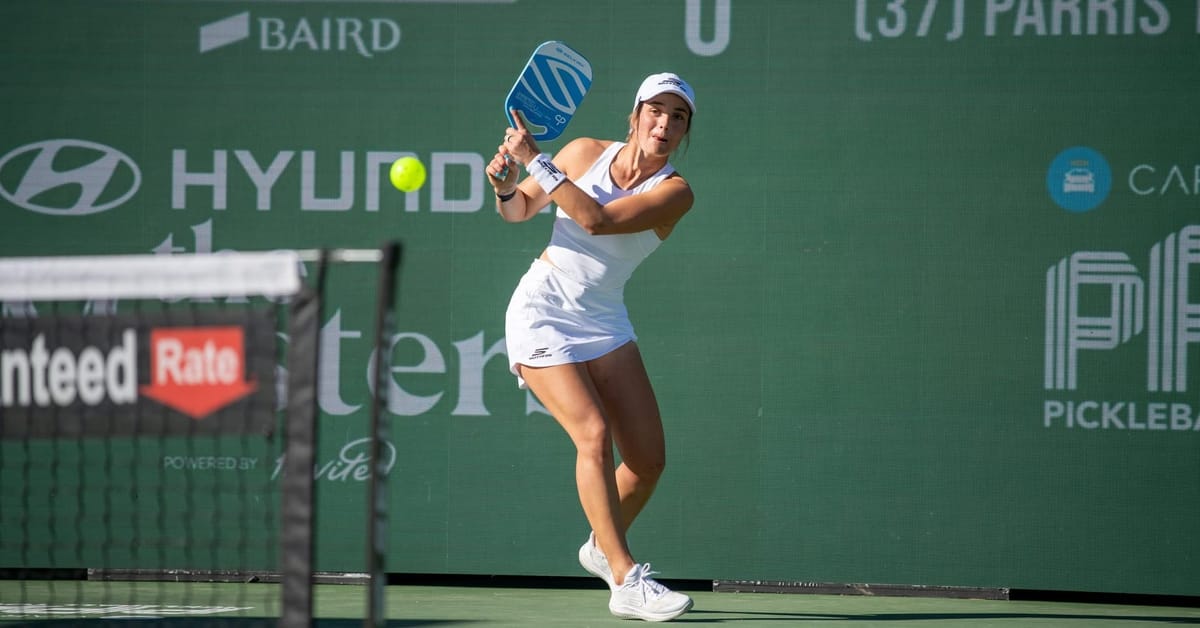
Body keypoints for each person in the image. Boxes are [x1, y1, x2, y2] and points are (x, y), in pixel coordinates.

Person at [486, 72, 697, 622]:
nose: (664, 124)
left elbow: (596, 220)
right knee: (594, 435)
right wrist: (507, 184)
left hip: (604, 319)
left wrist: (537, 160)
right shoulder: (581, 152)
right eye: (656, 111)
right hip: (543, 310)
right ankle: (626, 579)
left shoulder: (676, 192)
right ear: (634, 115)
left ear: (684, 132)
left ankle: (601, 547)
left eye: (678, 117)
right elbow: (516, 212)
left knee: (648, 461)